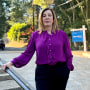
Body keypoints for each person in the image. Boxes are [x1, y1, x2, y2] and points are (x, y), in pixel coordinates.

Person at [2, 8, 74, 90]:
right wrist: (11, 63)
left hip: (60, 72)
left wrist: (67, 69)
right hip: (42, 73)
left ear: (53, 19)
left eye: (49, 15)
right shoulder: (35, 35)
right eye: (44, 16)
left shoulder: (62, 34)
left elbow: (68, 54)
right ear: (41, 19)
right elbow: (27, 54)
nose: (47, 17)